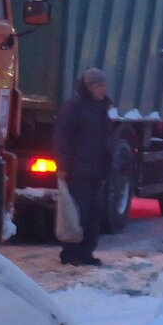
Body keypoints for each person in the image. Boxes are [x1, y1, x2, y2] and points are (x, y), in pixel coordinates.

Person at [53, 67, 112, 266]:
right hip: (78, 170)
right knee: (76, 214)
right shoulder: (74, 107)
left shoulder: (102, 107)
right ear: (89, 87)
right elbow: (62, 137)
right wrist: (63, 165)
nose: (103, 89)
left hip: (96, 170)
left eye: (104, 85)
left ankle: (86, 253)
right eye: (99, 86)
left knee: (94, 216)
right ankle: (70, 254)